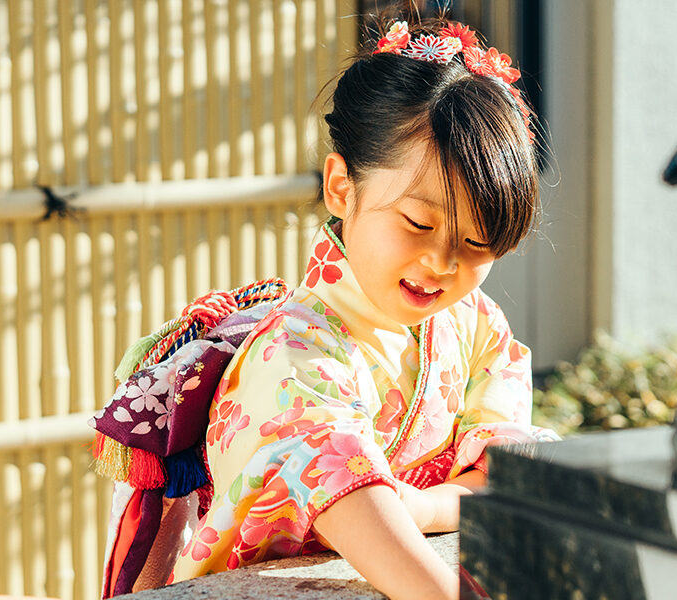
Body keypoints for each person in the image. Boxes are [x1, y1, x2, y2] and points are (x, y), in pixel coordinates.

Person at [167, 16, 556, 599]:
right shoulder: (291, 352)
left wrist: (422, 507)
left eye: (477, 243)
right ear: (342, 188)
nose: (444, 263)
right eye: (418, 223)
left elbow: (512, 474)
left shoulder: (477, 328)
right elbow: (351, 493)